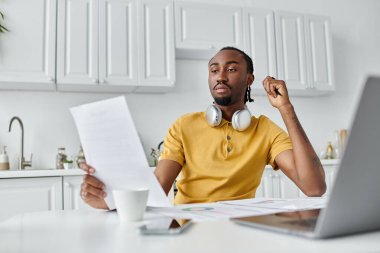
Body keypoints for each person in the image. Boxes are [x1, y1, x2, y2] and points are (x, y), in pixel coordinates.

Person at [80, 46, 326, 209]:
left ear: (249, 79)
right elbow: (157, 190)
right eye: (214, 70)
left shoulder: (265, 130)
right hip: (187, 227)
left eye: (231, 69)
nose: (220, 76)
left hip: (240, 226)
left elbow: (314, 188)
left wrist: (286, 108)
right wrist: (105, 200)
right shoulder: (184, 125)